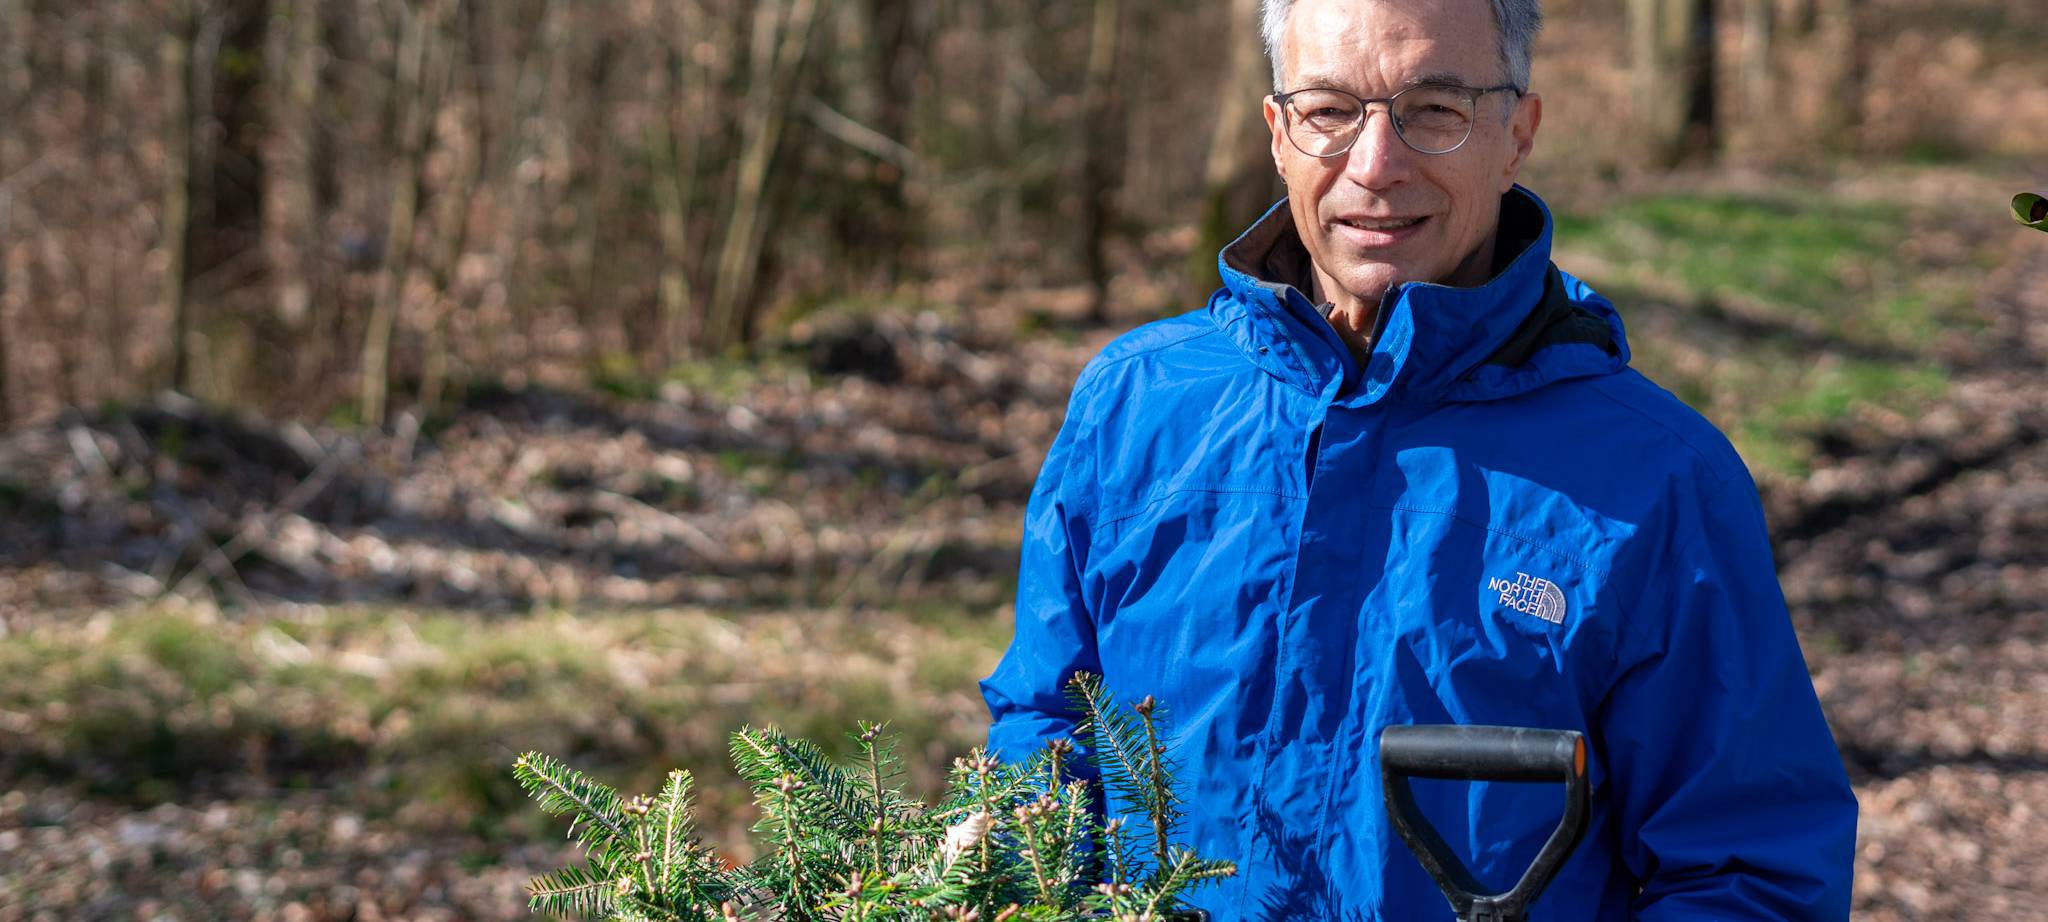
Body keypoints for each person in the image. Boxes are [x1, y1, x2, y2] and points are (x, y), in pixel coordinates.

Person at [978, 0, 1859, 918]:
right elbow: (1041, 734)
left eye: (1434, 111)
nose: (1375, 165)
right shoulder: (1133, 406)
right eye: (1328, 111)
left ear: (1516, 133)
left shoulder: (1659, 480)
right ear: (1278, 132)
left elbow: (1751, 874)